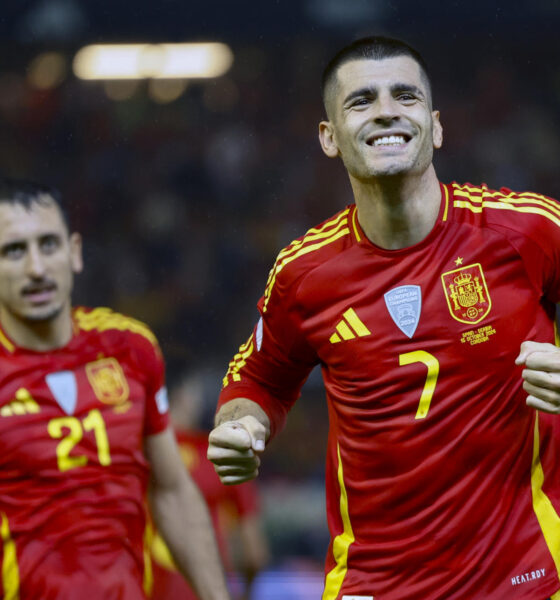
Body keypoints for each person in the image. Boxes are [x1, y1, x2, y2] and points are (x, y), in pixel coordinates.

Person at [207, 35, 560, 600]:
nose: (387, 111)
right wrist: (240, 426)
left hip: (526, 579)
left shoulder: (525, 231)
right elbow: (258, 381)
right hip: (374, 584)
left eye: (405, 96)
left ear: (436, 126)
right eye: (361, 100)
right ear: (329, 137)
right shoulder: (304, 274)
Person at [0, 179, 231, 600]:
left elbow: (173, 489)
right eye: (15, 251)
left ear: (74, 252)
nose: (36, 267)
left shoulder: (130, 348)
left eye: (48, 245)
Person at [150, 371, 269, 600]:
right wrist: (244, 594)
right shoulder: (223, 455)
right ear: (184, 396)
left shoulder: (139, 455)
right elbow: (254, 554)